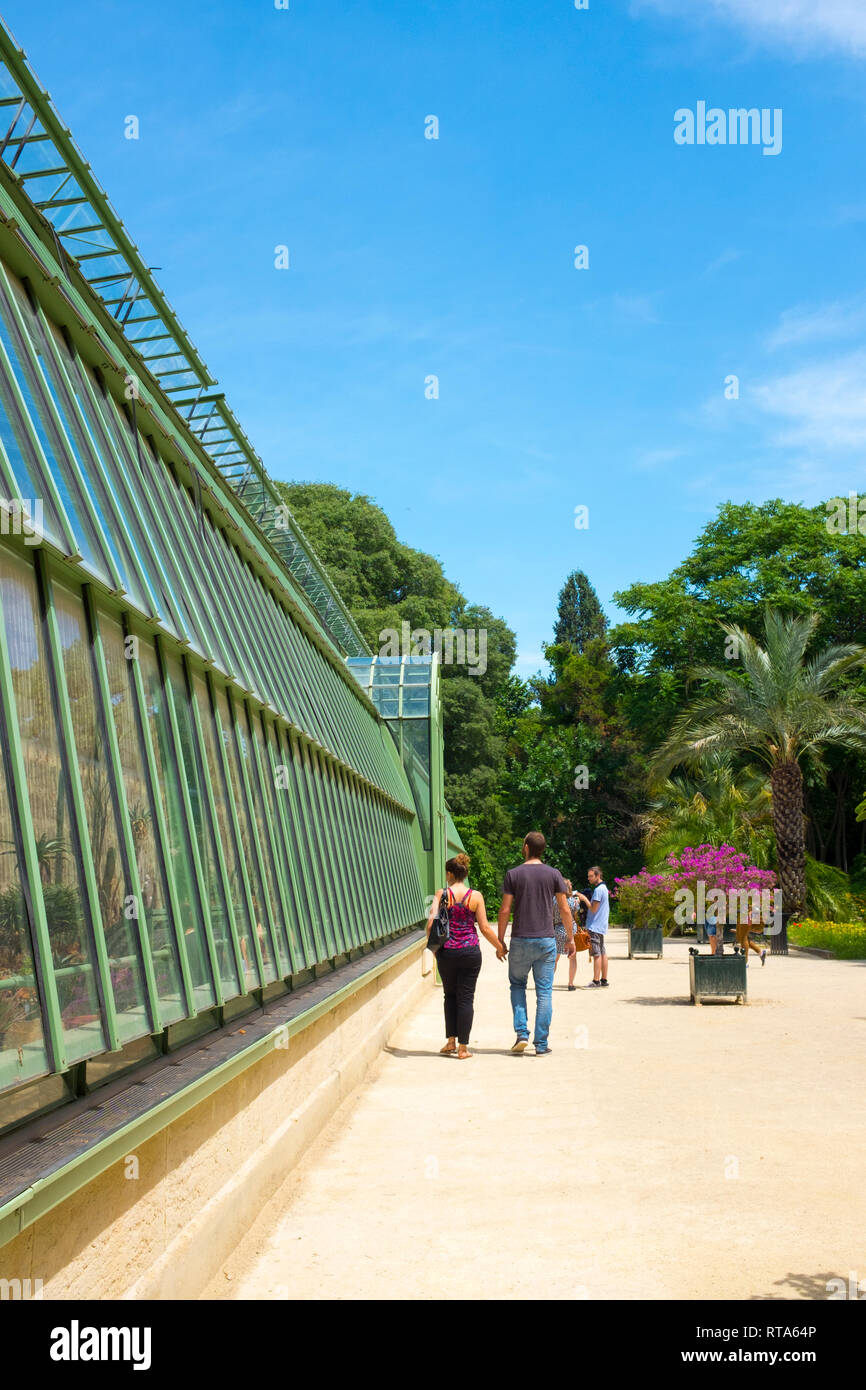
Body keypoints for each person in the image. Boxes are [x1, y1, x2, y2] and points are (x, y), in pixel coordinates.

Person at [498, 832, 575, 1055]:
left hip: (521, 939)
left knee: (517, 986)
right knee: (544, 992)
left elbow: (504, 910)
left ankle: (522, 1033)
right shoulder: (553, 874)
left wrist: (500, 941)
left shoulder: (513, 874)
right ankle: (541, 1044)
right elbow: (564, 908)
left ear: (526, 847)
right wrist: (570, 939)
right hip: (545, 941)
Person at [426, 852, 505, 1059]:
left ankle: (450, 1042)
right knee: (466, 999)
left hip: (447, 952)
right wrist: (500, 947)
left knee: (449, 996)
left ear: (451, 874)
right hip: (470, 952)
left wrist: (434, 951)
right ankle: (463, 1048)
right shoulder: (475, 896)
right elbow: (486, 928)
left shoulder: (441, 894)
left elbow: (430, 926)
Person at [576, 865, 610, 988]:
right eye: (588, 876)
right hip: (600, 925)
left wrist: (584, 898)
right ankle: (604, 979)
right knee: (602, 952)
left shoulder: (598, 890)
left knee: (596, 954)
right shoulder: (604, 888)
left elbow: (593, 909)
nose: (589, 878)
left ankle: (596, 981)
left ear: (598, 876)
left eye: (591, 876)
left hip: (595, 925)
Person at [553, 880, 583, 990]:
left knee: (554, 959)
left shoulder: (553, 900)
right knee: (572, 958)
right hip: (571, 928)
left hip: (558, 929)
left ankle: (548, 983)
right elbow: (575, 915)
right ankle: (570, 984)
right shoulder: (573, 901)